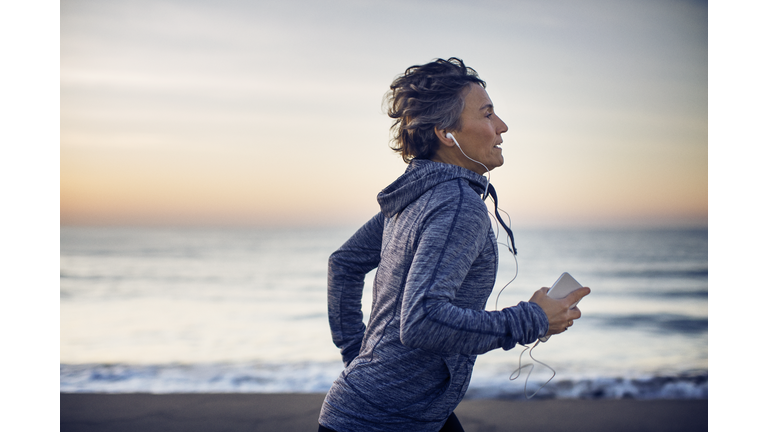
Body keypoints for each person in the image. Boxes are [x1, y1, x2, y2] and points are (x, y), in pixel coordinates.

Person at [318, 57, 590, 432]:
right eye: (488, 114)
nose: (502, 126)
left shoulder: (418, 196)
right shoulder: (458, 205)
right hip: (383, 422)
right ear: (447, 134)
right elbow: (423, 320)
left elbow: (343, 263)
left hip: (402, 410)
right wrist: (534, 318)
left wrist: (361, 358)